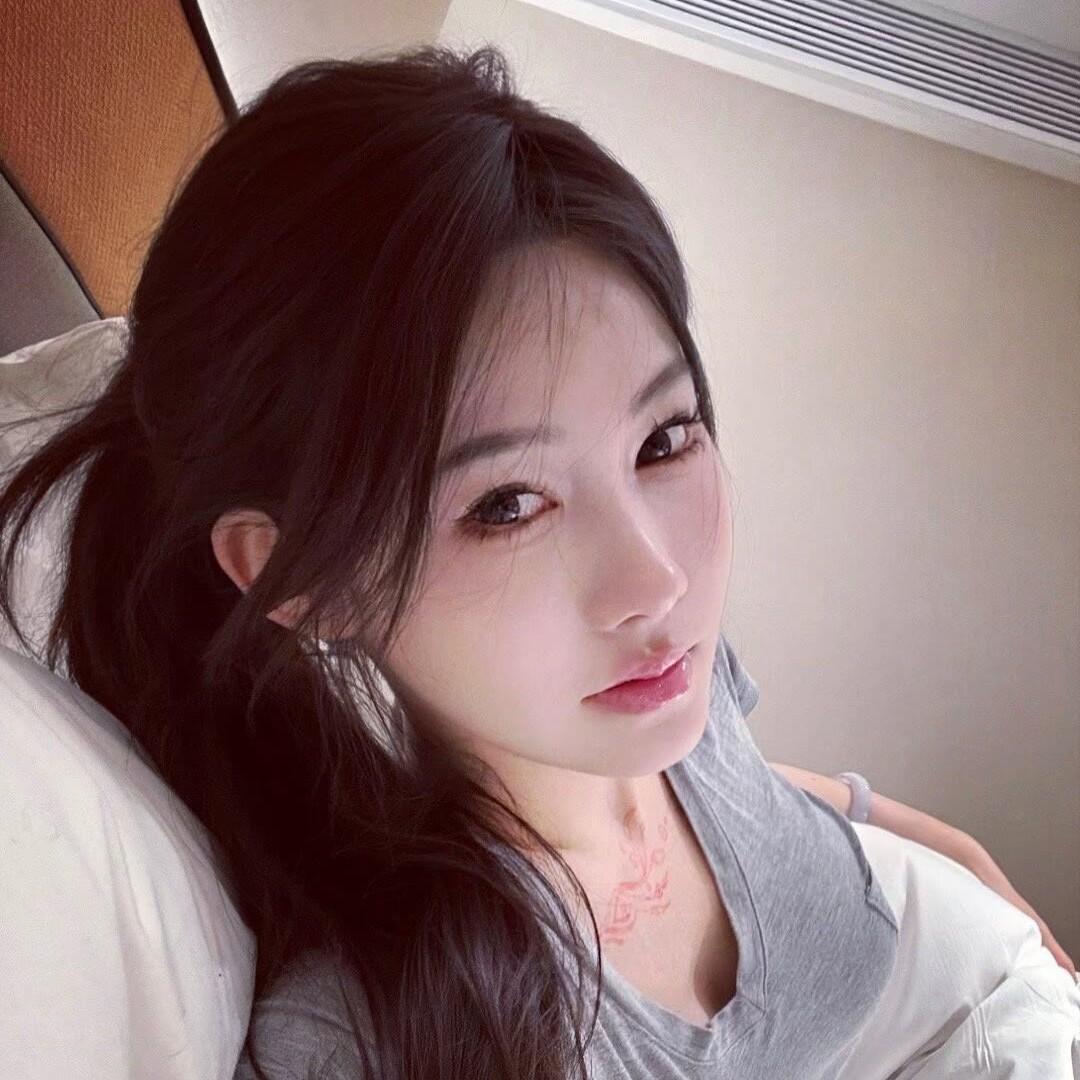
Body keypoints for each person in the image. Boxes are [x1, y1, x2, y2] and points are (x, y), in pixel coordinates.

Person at [0, 42, 1073, 1080]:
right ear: (309, 582)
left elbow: (751, 777)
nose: (658, 581)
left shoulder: (665, 694)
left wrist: (950, 852)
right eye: (506, 505)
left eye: (663, 439)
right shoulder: (385, 1037)